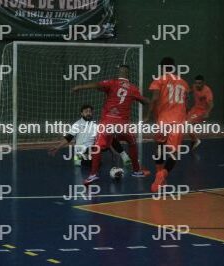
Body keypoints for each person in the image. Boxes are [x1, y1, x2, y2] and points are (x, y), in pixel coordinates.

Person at [72, 65, 149, 185]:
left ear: (119, 73)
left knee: (97, 146)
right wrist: (149, 113)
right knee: (132, 142)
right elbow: (145, 102)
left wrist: (80, 87)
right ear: (128, 75)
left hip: (108, 121)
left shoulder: (112, 83)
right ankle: (137, 170)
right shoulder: (133, 89)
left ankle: (93, 175)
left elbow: (97, 85)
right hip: (122, 123)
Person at [147, 57, 189, 192]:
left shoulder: (159, 80)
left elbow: (154, 99)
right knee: (174, 153)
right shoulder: (184, 83)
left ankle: (158, 175)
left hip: (163, 119)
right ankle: (162, 175)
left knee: (159, 147)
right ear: (174, 67)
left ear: (162, 68)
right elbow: (185, 102)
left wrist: (148, 115)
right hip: (178, 120)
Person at [49, 104, 131, 166]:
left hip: (92, 149)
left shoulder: (95, 125)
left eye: (90, 112)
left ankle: (124, 156)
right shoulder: (77, 124)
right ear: (82, 113)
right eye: (86, 112)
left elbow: (104, 139)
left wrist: (112, 151)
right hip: (82, 151)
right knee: (97, 163)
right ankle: (79, 159)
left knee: (110, 135)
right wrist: (57, 147)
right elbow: (68, 138)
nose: (88, 113)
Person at [187, 75, 214, 150]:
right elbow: (190, 90)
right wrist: (187, 93)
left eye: (199, 83)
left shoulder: (207, 91)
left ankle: (196, 140)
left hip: (201, 111)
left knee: (188, 125)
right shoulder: (194, 86)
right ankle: (194, 141)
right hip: (194, 109)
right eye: (196, 83)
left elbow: (211, 104)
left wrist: (207, 112)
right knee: (186, 125)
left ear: (203, 83)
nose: (197, 85)